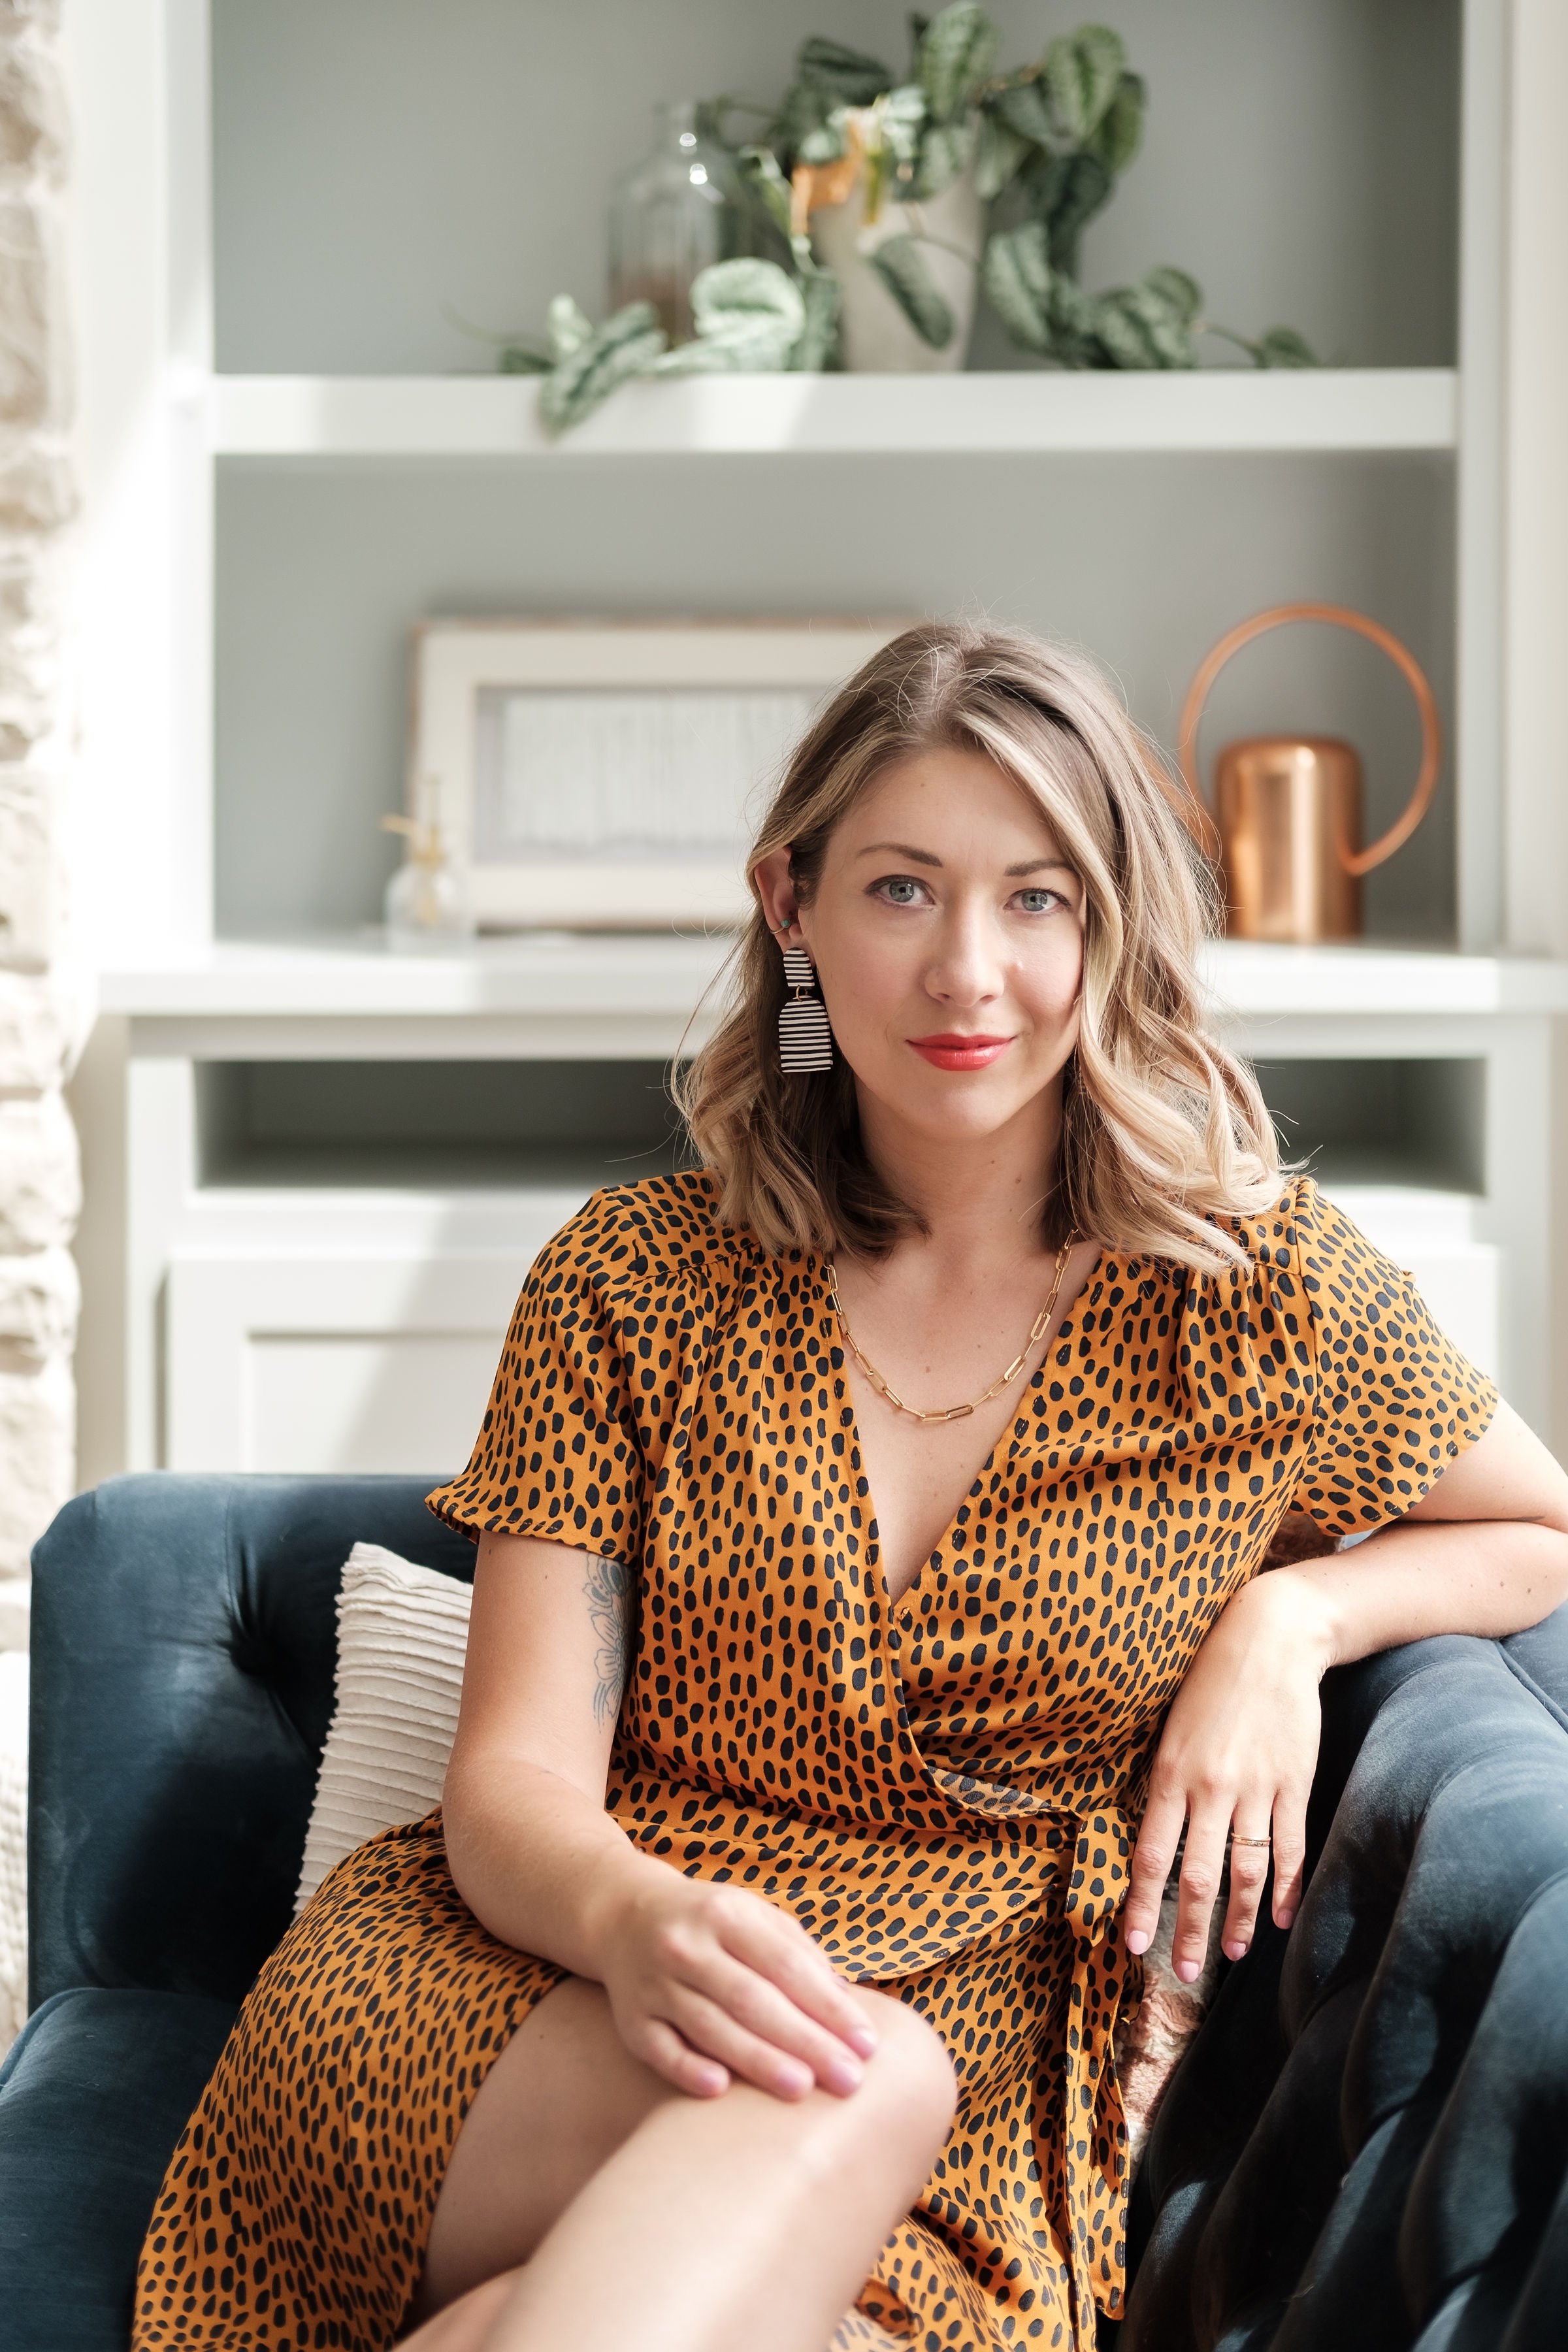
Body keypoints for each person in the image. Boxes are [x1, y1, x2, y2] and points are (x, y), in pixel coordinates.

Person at [131, 623, 1568, 2352]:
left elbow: (1539, 1521)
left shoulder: (1257, 1294)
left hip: (975, 2115)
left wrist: (1296, 1613)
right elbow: (512, 1781)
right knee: (849, 2067)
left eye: (1039, 899)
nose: (970, 970)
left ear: (1114, 924)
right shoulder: (630, 1282)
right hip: (540, 2002)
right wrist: (640, 1918)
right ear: (790, 902)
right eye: (903, 891)